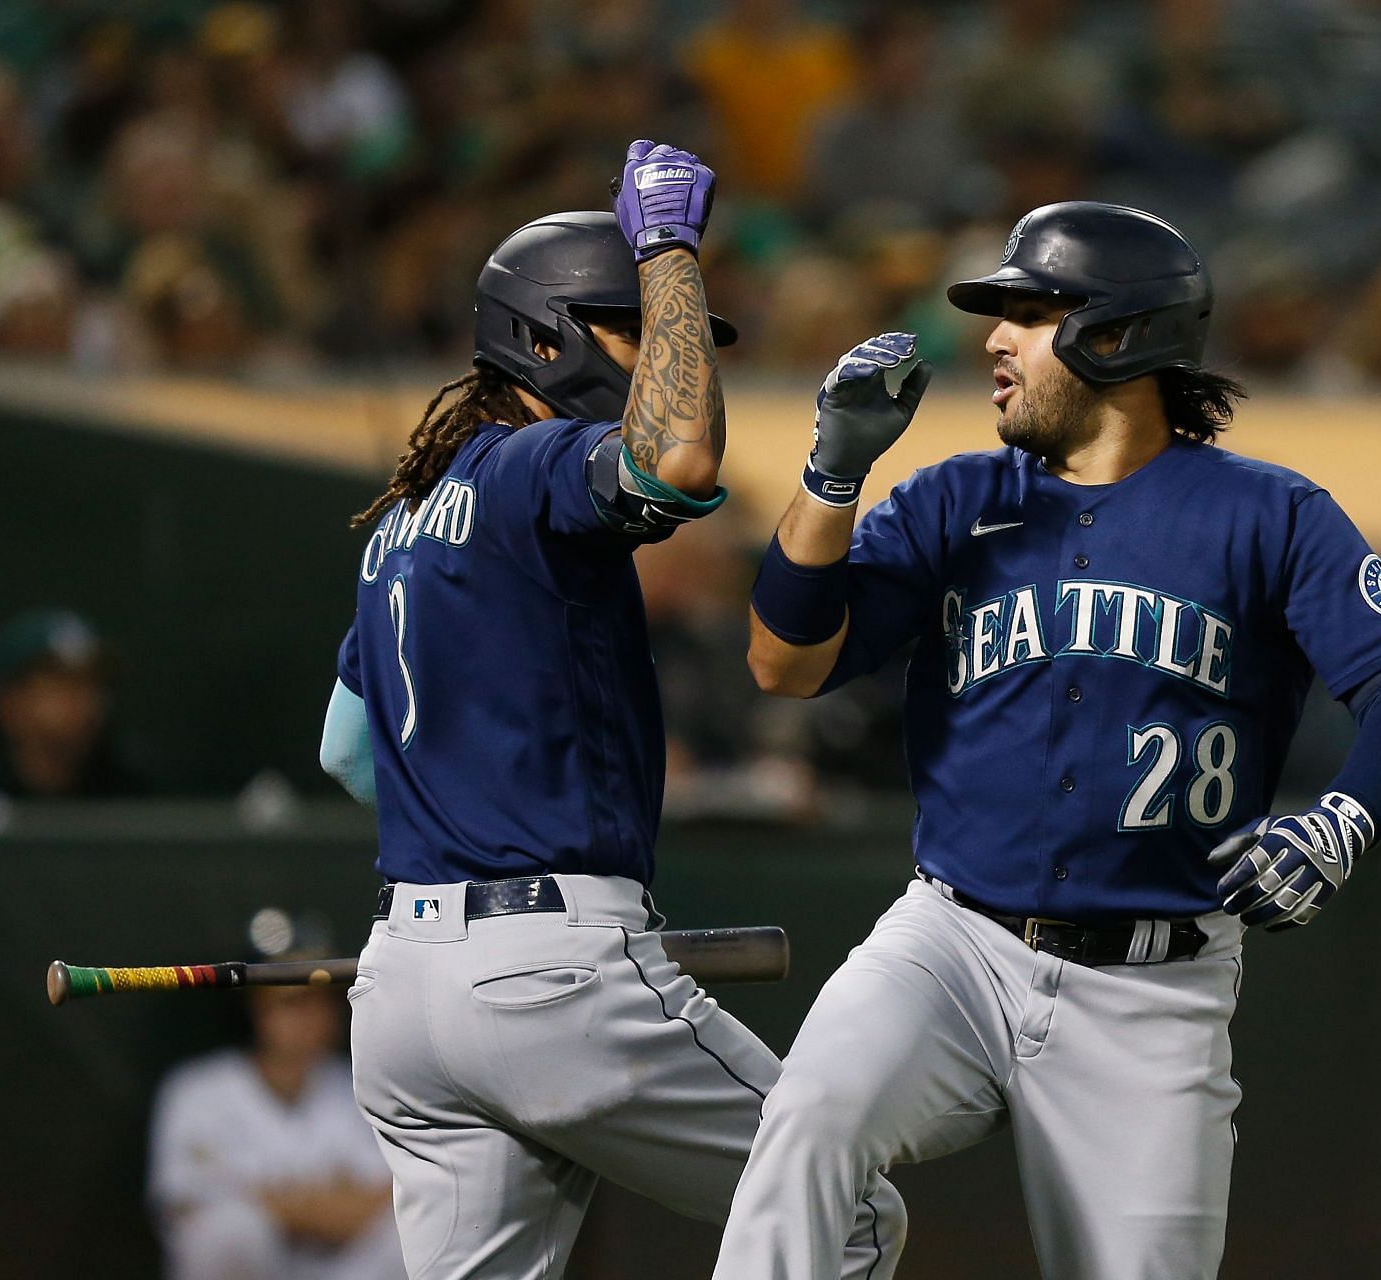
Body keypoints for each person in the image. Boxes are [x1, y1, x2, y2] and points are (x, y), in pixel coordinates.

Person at [718, 201, 1381, 1279]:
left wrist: (1342, 821)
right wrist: (831, 477)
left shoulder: (1268, 514)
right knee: (811, 1117)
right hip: (953, 941)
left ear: (1117, 335)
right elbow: (783, 663)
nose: (993, 339)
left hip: (1156, 987)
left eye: (1029, 312)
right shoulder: (956, 497)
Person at [318, 140, 900, 1279]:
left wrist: (471, 880)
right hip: (548, 969)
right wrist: (671, 246)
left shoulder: (407, 518)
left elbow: (348, 753)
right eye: (637, 330)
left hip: (403, 989)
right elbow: (677, 458)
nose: (668, 360)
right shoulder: (534, 464)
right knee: (846, 1211)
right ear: (545, 337)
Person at [148, 980, 403, 1280]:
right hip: (257, 1267)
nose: (310, 1016)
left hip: (345, 1266)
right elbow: (187, 1202)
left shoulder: (365, 1085)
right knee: (231, 1232)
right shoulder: (198, 1089)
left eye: (319, 1001)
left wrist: (279, 1202)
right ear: (256, 1009)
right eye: (292, 1002)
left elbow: (390, 1193)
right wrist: (315, 1207)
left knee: (411, 1230)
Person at [0, 609, 150, 801]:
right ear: (9, 700)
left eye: (95, 683)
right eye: (64, 683)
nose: (86, 699)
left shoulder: (131, 788)